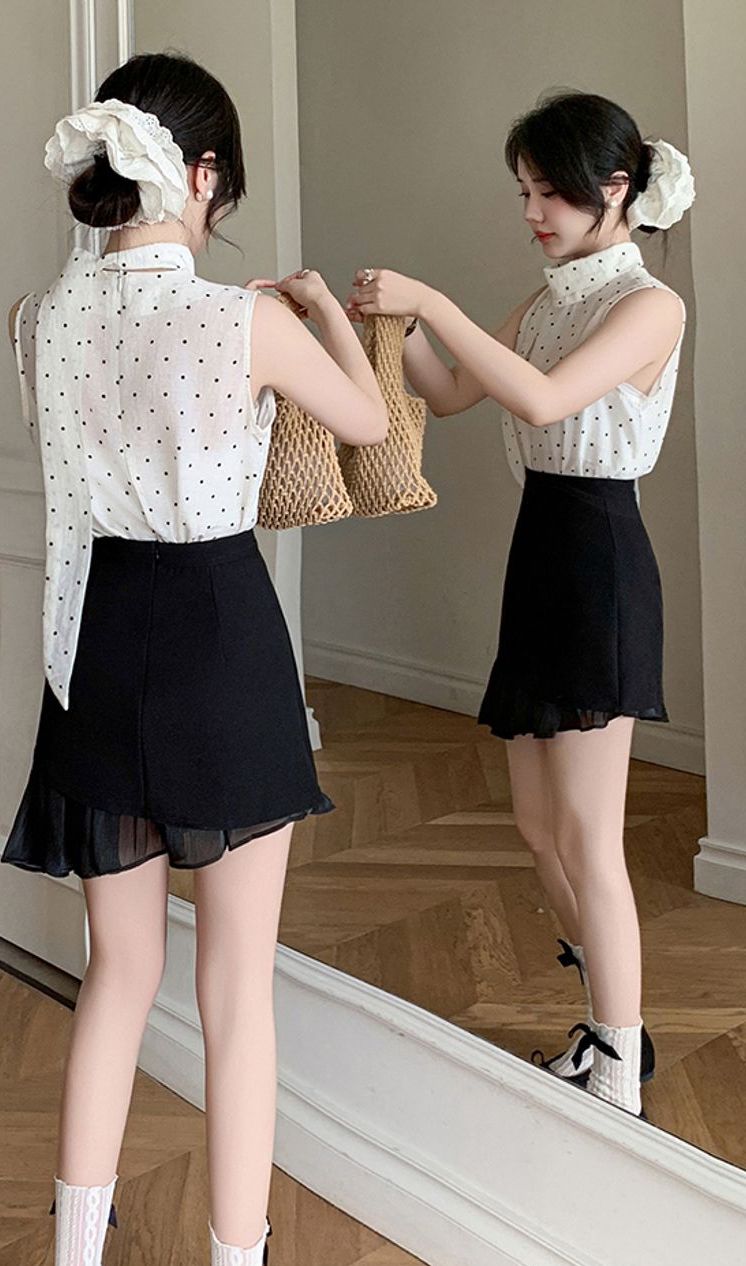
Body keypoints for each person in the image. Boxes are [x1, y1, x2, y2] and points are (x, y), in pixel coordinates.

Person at [1, 52, 387, 1266]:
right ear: (204, 174)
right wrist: (318, 314)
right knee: (237, 993)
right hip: (219, 637)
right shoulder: (242, 319)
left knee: (116, 977)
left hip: (94, 638)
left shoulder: (37, 317)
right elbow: (370, 428)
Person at [346, 90, 693, 1122]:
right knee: (541, 830)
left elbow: (541, 400)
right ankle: (606, 1020)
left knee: (589, 835)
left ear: (614, 190)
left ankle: (620, 1068)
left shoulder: (649, 306)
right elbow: (452, 391)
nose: (533, 213)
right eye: (525, 193)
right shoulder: (546, 303)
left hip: (599, 565)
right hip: (540, 558)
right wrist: (382, 321)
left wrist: (433, 298)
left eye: (550, 193)